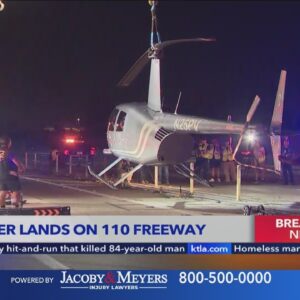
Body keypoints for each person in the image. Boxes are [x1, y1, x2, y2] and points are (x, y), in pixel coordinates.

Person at [0, 136, 25, 208]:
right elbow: (15, 160)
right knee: (15, 190)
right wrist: (21, 168)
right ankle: (15, 206)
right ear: (8, 143)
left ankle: (2, 208)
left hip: (1, 175)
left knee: (2, 191)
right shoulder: (8, 151)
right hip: (11, 175)